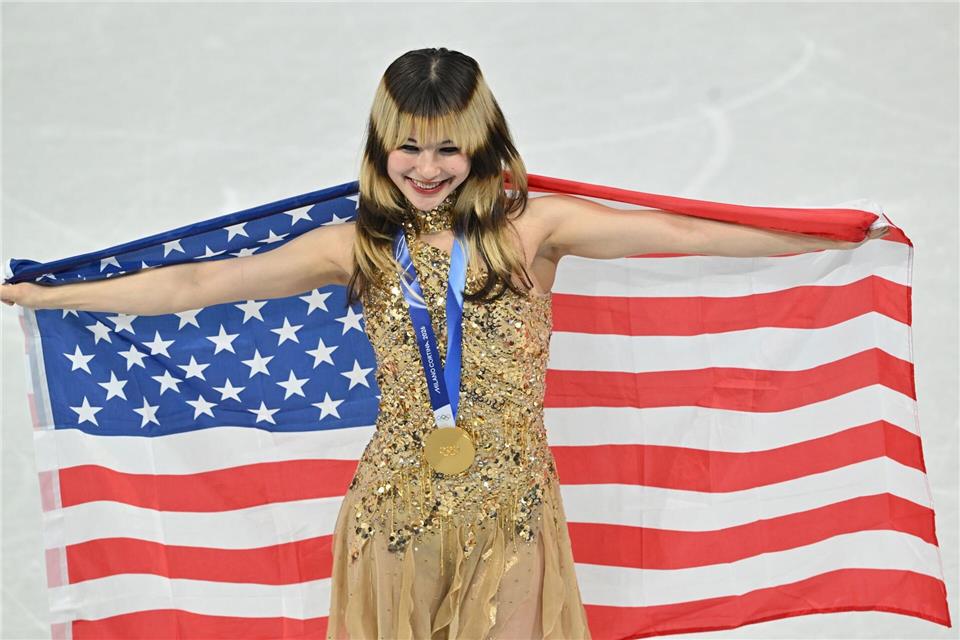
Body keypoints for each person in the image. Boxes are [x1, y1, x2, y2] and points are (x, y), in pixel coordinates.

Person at [1, 47, 888, 639]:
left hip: (514, 512)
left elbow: (684, 235)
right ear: (380, 147)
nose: (427, 169)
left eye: (449, 150)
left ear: (483, 144)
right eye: (409, 149)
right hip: (394, 512)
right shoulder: (356, 246)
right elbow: (197, 286)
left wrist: (825, 235)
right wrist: (53, 294)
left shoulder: (536, 231)